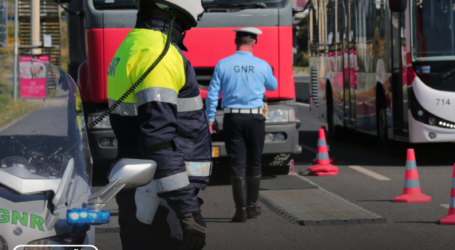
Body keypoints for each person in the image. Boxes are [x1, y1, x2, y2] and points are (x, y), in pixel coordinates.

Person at [106, 1, 211, 249]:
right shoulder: (159, 54)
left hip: (141, 192)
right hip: (159, 201)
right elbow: (158, 139)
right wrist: (186, 210)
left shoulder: (134, 43)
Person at [205, 27, 278, 223]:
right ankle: (252, 207)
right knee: (254, 162)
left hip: (232, 119)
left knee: (236, 164)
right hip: (255, 119)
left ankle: (240, 211)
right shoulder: (262, 65)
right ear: (254, 42)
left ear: (236, 42)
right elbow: (273, 86)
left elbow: (212, 94)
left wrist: (211, 118)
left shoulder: (223, 64)